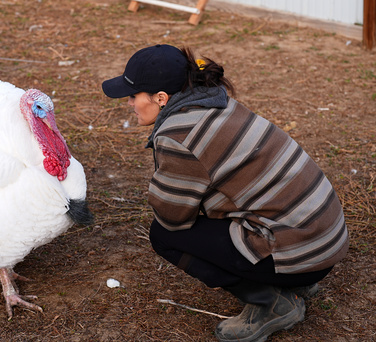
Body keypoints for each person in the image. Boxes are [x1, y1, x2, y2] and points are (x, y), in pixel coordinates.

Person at [101, 44, 349, 342]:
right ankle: (292, 280)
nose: (128, 103)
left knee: (163, 236)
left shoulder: (180, 134)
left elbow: (171, 217)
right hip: (322, 239)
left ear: (161, 98)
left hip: (305, 254)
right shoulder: (215, 102)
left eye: (132, 96)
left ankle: (272, 304)